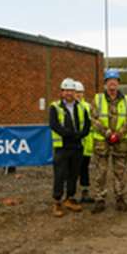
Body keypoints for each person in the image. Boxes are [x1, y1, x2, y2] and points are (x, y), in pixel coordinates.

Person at [90, 69, 127, 213]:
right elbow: (94, 119)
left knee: (120, 172)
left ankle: (120, 198)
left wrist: (119, 134)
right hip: (102, 142)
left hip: (120, 142)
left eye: (115, 81)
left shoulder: (125, 100)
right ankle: (99, 199)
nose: (112, 84)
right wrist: (108, 133)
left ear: (119, 83)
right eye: (109, 81)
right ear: (105, 84)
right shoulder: (97, 99)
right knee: (100, 173)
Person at [49, 78, 91, 217]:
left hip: (77, 146)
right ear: (61, 92)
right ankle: (57, 201)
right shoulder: (55, 107)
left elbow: (87, 125)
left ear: (75, 92)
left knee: (73, 174)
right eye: (66, 90)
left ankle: (70, 198)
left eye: (71, 90)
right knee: (60, 175)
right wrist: (71, 134)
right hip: (62, 146)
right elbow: (54, 125)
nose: (69, 93)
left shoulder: (81, 107)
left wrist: (80, 135)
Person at [74, 81, 95, 203]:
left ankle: (85, 193)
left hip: (86, 145)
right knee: (73, 170)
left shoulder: (88, 107)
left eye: (80, 92)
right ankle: (72, 194)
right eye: (77, 92)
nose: (79, 95)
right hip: (74, 145)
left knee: (84, 169)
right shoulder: (71, 107)